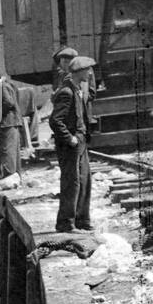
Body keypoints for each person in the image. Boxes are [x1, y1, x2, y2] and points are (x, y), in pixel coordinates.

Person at [50, 56, 96, 232]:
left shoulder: (77, 89)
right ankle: (65, 222)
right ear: (79, 72)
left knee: (85, 180)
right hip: (70, 144)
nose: (90, 73)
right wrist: (69, 138)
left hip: (81, 140)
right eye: (88, 70)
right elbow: (55, 121)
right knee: (72, 182)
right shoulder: (66, 92)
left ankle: (82, 220)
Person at [0, 68, 22, 181]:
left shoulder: (1, 87)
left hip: (8, 122)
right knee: (10, 150)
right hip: (12, 121)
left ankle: (10, 177)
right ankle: (12, 176)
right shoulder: (9, 84)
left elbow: (9, 102)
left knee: (7, 150)